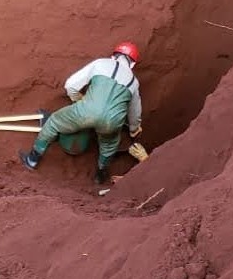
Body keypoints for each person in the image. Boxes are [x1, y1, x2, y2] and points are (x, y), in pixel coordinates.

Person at [19, 42, 143, 184]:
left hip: (87, 111)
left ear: (113, 56)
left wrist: (79, 99)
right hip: (113, 121)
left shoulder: (100, 63)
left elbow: (70, 84)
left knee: (53, 122)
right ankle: (100, 176)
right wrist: (134, 129)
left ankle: (32, 159)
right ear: (132, 64)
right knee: (109, 146)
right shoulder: (134, 82)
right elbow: (135, 112)